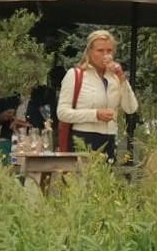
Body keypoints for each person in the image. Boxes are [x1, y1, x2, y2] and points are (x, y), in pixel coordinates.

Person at [57, 30, 138, 163]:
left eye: (109, 51)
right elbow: (62, 113)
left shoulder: (114, 78)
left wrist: (122, 78)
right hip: (83, 138)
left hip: (109, 139)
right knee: (83, 176)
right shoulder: (76, 75)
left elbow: (131, 108)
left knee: (105, 176)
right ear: (89, 52)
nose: (106, 55)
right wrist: (95, 114)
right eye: (100, 50)